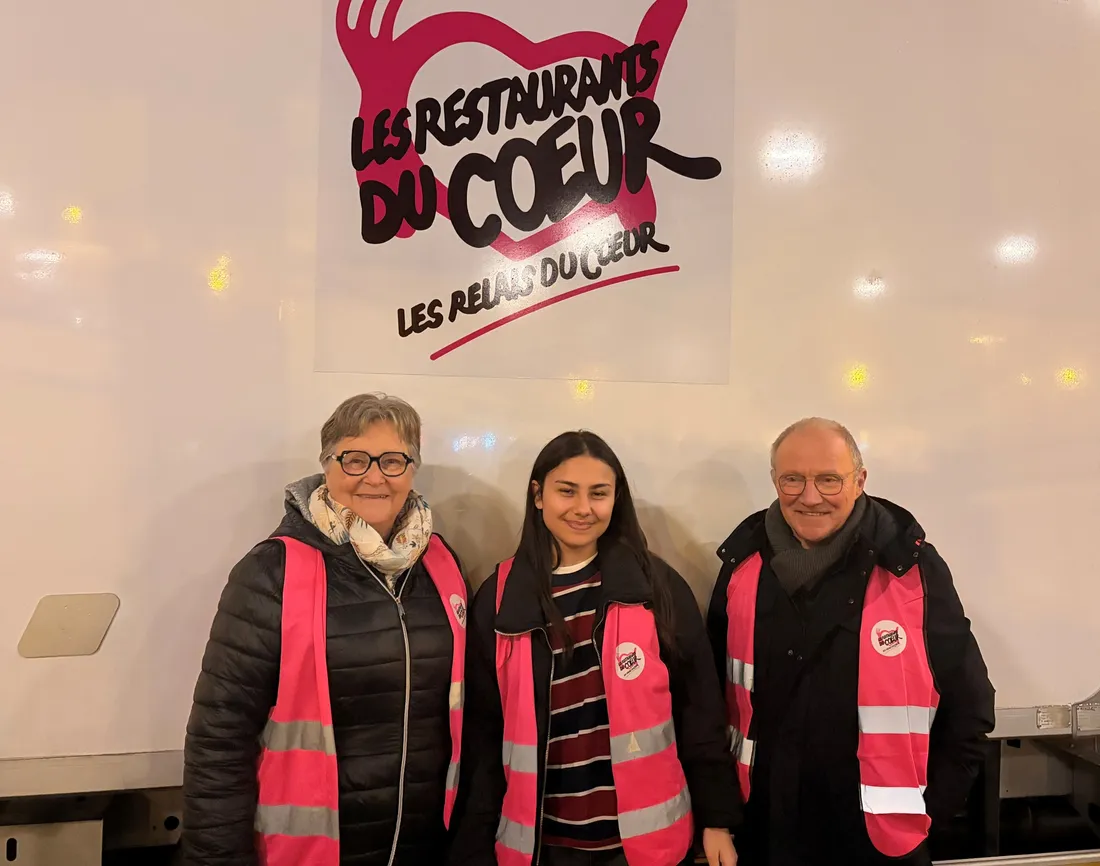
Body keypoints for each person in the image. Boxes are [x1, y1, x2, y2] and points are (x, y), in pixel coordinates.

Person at [182, 393, 469, 866]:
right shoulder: (272, 572)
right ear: (326, 464)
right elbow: (220, 738)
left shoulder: (442, 563)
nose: (374, 477)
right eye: (355, 459)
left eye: (393, 461)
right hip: (307, 853)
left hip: (424, 849)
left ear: (412, 469)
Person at [706, 417, 996, 866]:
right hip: (764, 834)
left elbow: (969, 709)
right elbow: (709, 702)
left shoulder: (912, 570)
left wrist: (925, 818)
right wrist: (720, 814)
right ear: (774, 481)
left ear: (860, 480)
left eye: (829, 479)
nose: (809, 497)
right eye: (792, 479)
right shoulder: (742, 567)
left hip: (879, 846)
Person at [449, 430, 739, 866]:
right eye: (567, 491)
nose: (583, 508)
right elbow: (483, 736)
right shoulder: (499, 599)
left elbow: (700, 711)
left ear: (616, 499)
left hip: (645, 849)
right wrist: (473, 845)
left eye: (598, 493)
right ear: (538, 495)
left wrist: (717, 820)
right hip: (541, 848)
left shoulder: (656, 588)